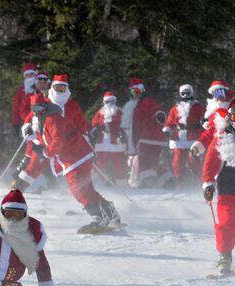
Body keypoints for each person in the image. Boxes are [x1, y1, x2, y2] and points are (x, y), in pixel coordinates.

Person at [32, 94, 121, 233]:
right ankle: (110, 213)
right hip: (77, 156)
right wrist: (40, 148)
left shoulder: (52, 118)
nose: (36, 111)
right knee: (86, 189)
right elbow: (51, 140)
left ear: (46, 107)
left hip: (75, 156)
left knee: (78, 189)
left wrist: (45, 152)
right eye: (34, 108)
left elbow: (58, 141)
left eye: (39, 107)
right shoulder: (45, 120)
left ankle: (98, 218)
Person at [202, 108, 235, 276]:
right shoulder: (222, 136)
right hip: (227, 186)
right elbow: (210, 161)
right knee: (227, 222)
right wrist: (208, 184)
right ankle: (225, 256)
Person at [120, 77, 167, 187]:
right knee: (152, 163)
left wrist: (159, 115)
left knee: (144, 163)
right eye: (134, 91)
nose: (137, 94)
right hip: (146, 139)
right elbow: (133, 127)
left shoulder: (146, 102)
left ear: (143, 91)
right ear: (131, 92)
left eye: (139, 91)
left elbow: (156, 110)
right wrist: (124, 135)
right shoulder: (133, 106)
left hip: (149, 138)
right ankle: (168, 181)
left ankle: (149, 185)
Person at [162, 84, 206, 186]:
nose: (185, 95)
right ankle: (180, 181)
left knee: (193, 159)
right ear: (180, 94)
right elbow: (169, 121)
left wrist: (205, 125)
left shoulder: (197, 106)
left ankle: (200, 181)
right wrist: (167, 130)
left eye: (188, 93)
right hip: (179, 138)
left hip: (193, 136)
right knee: (178, 161)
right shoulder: (175, 108)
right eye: (183, 93)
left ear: (191, 93)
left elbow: (205, 118)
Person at [90, 91, 127, 183]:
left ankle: (121, 182)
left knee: (118, 163)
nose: (110, 104)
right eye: (107, 102)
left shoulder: (119, 113)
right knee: (100, 163)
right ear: (104, 102)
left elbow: (124, 125)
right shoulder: (99, 114)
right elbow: (94, 125)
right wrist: (96, 130)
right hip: (102, 142)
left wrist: (123, 134)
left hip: (115, 142)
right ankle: (100, 182)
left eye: (112, 102)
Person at [11, 63, 38, 133]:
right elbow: (16, 108)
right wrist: (16, 123)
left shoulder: (40, 88)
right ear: (25, 76)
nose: (29, 76)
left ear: (35, 75)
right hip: (25, 122)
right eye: (27, 75)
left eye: (31, 74)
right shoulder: (20, 91)